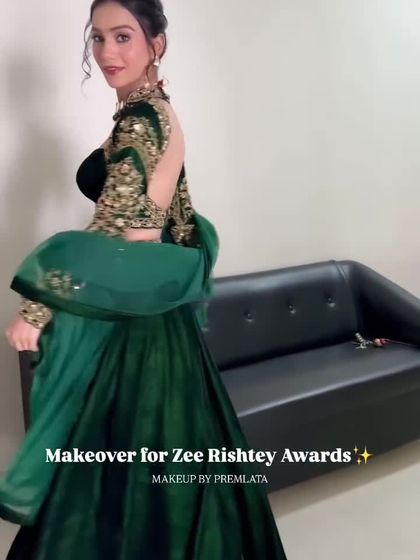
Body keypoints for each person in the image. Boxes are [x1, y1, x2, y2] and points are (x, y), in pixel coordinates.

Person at [1, 1, 289, 558]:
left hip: (140, 332)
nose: (107, 52)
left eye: (123, 37)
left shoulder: (142, 121)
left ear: (156, 43)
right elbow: (158, 220)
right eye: (98, 38)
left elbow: (115, 226)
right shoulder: (152, 110)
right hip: (155, 318)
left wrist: (36, 308)